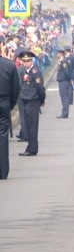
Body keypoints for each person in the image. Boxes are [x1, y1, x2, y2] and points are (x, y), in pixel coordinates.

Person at [16, 48, 45, 157]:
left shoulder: (35, 72)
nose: (26, 63)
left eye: (28, 61)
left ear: (31, 61)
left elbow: (40, 89)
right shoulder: (22, 71)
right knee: (28, 125)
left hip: (33, 101)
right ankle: (30, 147)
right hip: (25, 100)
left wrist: (42, 100)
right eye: (24, 61)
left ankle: (32, 148)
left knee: (32, 126)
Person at [0, 48, 21, 178]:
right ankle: (2, 171)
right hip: (4, 102)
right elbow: (15, 89)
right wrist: (10, 105)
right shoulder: (9, 65)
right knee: (2, 138)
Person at [56, 48, 73, 118]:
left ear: (60, 54)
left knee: (64, 98)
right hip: (62, 81)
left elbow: (66, 72)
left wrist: (69, 80)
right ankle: (64, 112)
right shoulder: (61, 61)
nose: (56, 54)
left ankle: (65, 113)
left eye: (57, 53)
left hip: (64, 81)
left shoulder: (64, 62)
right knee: (63, 97)